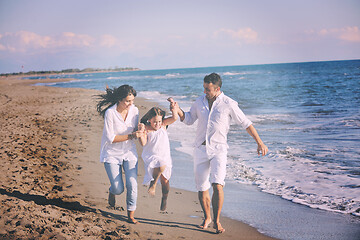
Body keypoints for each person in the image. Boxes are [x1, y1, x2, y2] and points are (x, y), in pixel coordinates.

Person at [175, 73, 268, 234]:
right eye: (204, 88)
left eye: (208, 89)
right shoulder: (199, 102)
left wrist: (259, 142)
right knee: (202, 187)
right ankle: (207, 217)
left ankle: (217, 221)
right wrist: (178, 110)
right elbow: (189, 120)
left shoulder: (229, 103)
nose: (205, 92)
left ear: (217, 88)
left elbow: (246, 123)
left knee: (217, 184)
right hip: (200, 149)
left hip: (219, 150)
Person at [97, 84, 143, 224]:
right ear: (119, 99)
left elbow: (135, 129)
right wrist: (131, 135)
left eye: (132, 101)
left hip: (129, 152)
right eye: (127, 101)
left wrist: (140, 128)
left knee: (132, 184)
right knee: (118, 189)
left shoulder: (135, 111)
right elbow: (111, 138)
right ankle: (112, 191)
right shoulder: (110, 113)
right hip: (111, 153)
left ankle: (130, 215)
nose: (130, 104)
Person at [137, 101, 179, 211]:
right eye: (155, 122)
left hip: (164, 156)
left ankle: (164, 197)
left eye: (159, 121)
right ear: (149, 120)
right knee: (161, 165)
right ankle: (154, 184)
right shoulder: (146, 128)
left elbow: (175, 118)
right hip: (151, 156)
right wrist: (141, 132)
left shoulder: (163, 125)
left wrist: (173, 108)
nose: (157, 124)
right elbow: (143, 143)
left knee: (165, 181)